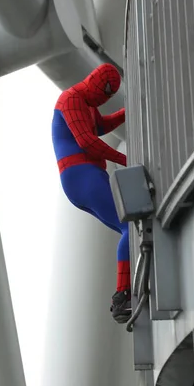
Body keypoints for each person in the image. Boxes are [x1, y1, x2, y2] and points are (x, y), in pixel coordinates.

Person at [51, 63, 131, 324]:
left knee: (129, 228)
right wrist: (123, 158)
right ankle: (122, 295)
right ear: (95, 82)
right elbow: (87, 140)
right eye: (105, 92)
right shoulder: (71, 98)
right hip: (82, 173)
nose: (104, 99)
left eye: (108, 96)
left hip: (86, 177)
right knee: (129, 226)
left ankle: (124, 293)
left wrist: (128, 111)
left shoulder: (87, 104)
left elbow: (101, 126)